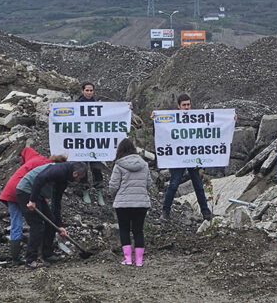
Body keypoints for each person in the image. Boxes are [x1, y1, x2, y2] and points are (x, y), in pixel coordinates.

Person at [0, 147, 66, 265]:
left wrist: (23, 164)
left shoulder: (38, 159)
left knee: (16, 222)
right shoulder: (48, 169)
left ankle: (15, 258)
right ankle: (38, 254)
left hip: (11, 189)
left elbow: (26, 149)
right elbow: (37, 185)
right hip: (23, 190)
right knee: (37, 223)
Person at [15, 161, 88, 268]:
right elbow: (40, 178)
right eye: (79, 178)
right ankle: (31, 260)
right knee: (37, 225)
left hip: (36, 194)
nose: (78, 180)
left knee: (51, 221)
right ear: (75, 174)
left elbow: (56, 202)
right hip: (26, 191)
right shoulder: (59, 170)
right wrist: (32, 200)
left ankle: (47, 254)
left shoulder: (64, 179)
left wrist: (59, 225)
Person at [158, 94, 213, 222]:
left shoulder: (197, 118)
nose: (187, 108)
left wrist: (231, 119)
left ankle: (206, 212)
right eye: (184, 105)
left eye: (188, 105)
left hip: (193, 156)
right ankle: (165, 212)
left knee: (198, 185)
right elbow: (161, 132)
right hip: (178, 158)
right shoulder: (173, 119)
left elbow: (212, 126)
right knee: (173, 184)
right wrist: (155, 120)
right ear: (178, 106)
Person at [109, 138, 153, 267]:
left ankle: (127, 259)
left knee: (124, 230)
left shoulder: (119, 165)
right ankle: (139, 261)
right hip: (141, 204)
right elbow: (149, 183)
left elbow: (113, 185)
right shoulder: (144, 164)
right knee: (138, 231)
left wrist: (115, 196)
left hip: (122, 204)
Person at [75, 82, 106, 206]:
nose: (89, 92)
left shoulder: (98, 106)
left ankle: (99, 192)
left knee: (96, 167)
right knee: (82, 167)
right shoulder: (76, 105)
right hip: (81, 142)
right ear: (82, 91)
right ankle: (85, 190)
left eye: (91, 90)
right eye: (87, 90)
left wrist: (127, 108)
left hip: (95, 142)